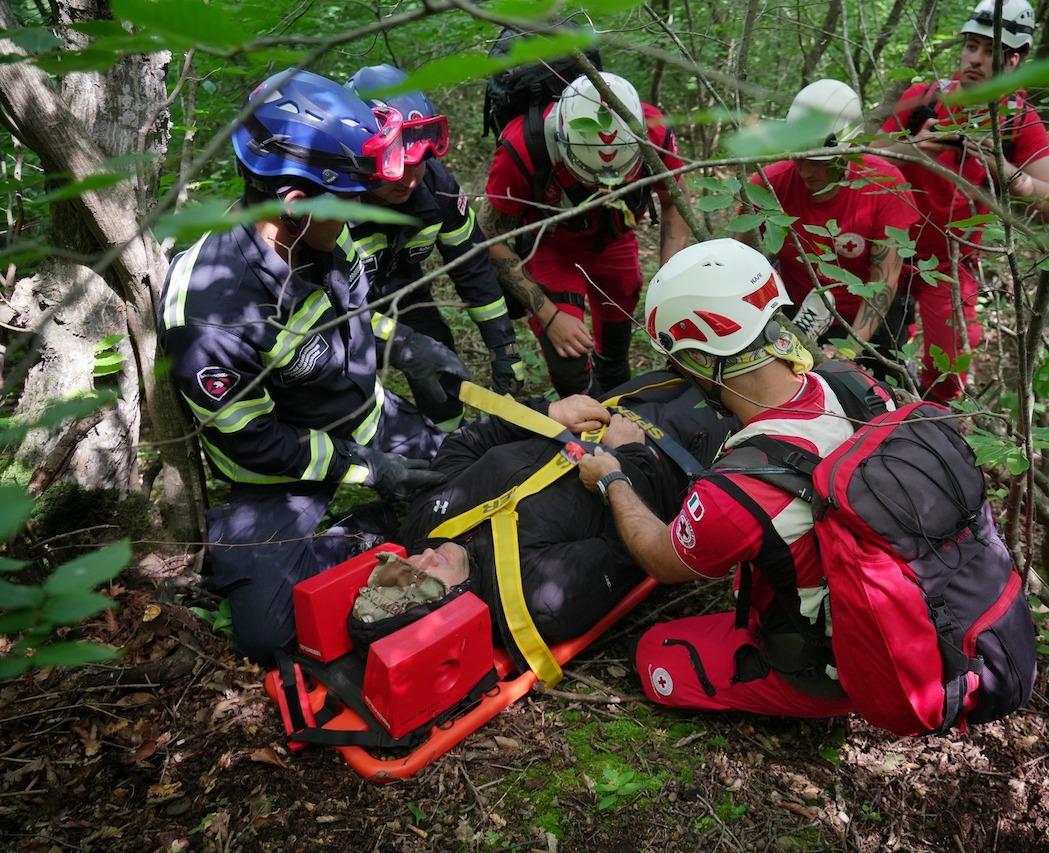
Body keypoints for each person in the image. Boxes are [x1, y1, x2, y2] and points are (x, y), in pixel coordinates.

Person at [157, 69, 467, 664]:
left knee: (474, 474)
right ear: (295, 203)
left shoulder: (322, 235)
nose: (356, 217)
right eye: (348, 202)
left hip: (367, 420)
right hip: (275, 480)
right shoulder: (213, 311)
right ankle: (362, 531)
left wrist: (400, 344)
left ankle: (380, 520)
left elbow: (348, 312)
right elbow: (253, 442)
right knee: (271, 633)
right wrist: (367, 471)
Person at [577, 239, 871, 717]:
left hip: (829, 670)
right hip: (903, 608)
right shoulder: (855, 383)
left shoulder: (740, 490)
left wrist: (613, 477)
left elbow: (662, 560)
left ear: (696, 359)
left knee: (656, 655)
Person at [396, 373, 736, 660]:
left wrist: (549, 412)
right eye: (423, 583)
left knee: (706, 359)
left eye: (402, 569)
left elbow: (466, 444)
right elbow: (634, 548)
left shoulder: (426, 526)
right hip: (670, 455)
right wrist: (631, 456)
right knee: (750, 389)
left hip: (610, 410)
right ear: (451, 613)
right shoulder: (536, 601)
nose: (423, 560)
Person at [875, 0, 1049, 401]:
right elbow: (865, 160)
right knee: (871, 354)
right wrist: (914, 148)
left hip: (951, 263)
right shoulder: (923, 96)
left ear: (1014, 60)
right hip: (887, 251)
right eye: (971, 46)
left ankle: (930, 428)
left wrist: (1009, 174)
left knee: (949, 367)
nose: (975, 60)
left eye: (991, 51)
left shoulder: (1018, 120)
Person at [478, 71, 691, 398]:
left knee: (616, 341)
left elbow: (676, 201)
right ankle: (584, 416)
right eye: (592, 178)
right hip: (551, 246)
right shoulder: (524, 145)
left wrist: (669, 279)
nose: (605, 188)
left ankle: (615, 393)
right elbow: (491, 236)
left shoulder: (652, 129)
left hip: (616, 238)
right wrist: (548, 315)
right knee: (568, 364)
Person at [343, 65, 520, 432]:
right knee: (344, 391)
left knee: (442, 368)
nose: (410, 180)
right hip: (331, 316)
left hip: (403, 289)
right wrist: (404, 345)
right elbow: (322, 311)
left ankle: (448, 446)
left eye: (420, 163)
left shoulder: (437, 187)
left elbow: (472, 267)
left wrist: (503, 347)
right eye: (395, 164)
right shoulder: (330, 202)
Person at [746, 79, 920, 377]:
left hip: (873, 324)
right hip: (796, 316)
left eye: (820, 161)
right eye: (799, 156)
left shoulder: (884, 185)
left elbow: (884, 280)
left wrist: (850, 350)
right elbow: (742, 260)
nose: (806, 171)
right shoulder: (767, 186)